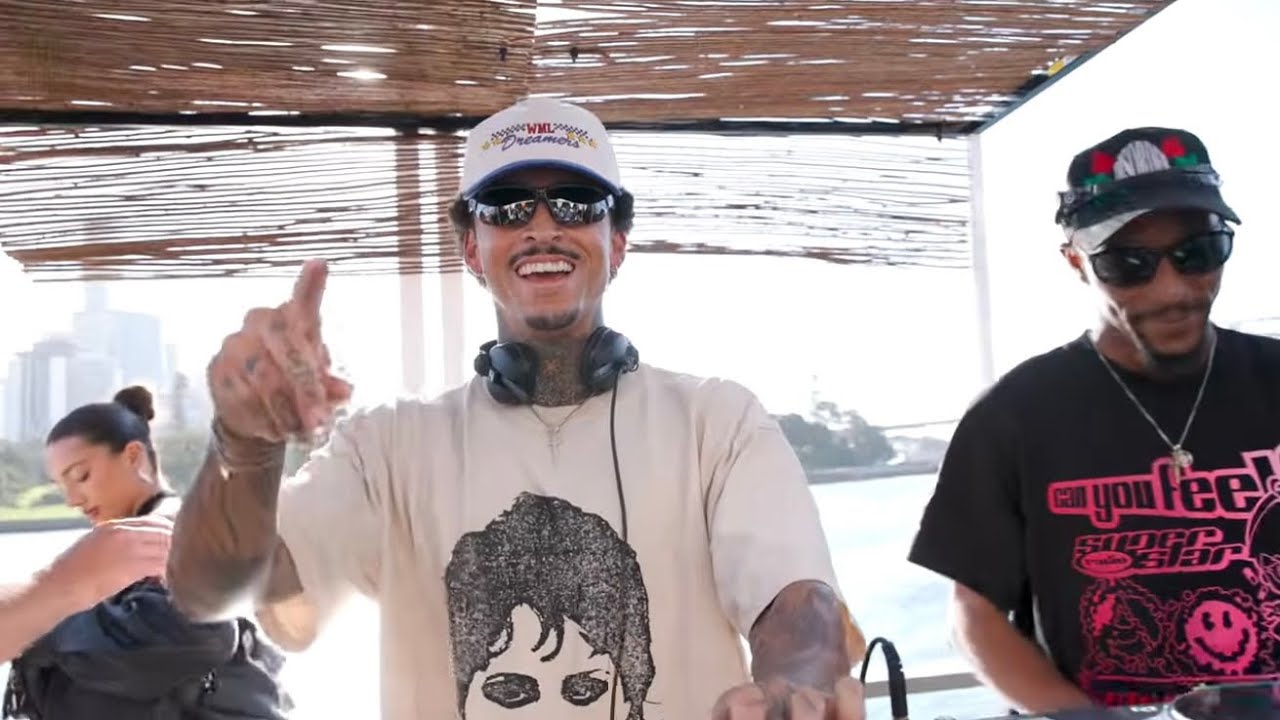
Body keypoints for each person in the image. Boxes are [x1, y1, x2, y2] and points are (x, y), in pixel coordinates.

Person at [165, 96, 868, 720]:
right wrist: (246, 447)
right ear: (472, 249)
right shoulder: (389, 447)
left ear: (617, 243)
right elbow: (214, 593)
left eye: (575, 202)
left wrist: (793, 684)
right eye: (506, 206)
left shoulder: (719, 422)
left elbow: (799, 602)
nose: (542, 226)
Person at [909, 126, 1280, 711]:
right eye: (1129, 264)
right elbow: (975, 613)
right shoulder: (1014, 416)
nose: (1173, 290)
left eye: (1198, 252)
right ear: (1077, 261)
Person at [1, 387, 291, 719]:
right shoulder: (144, 540)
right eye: (62, 486)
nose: (72, 499)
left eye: (81, 476)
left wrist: (40, 622)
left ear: (133, 456)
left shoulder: (172, 533)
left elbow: (198, 633)